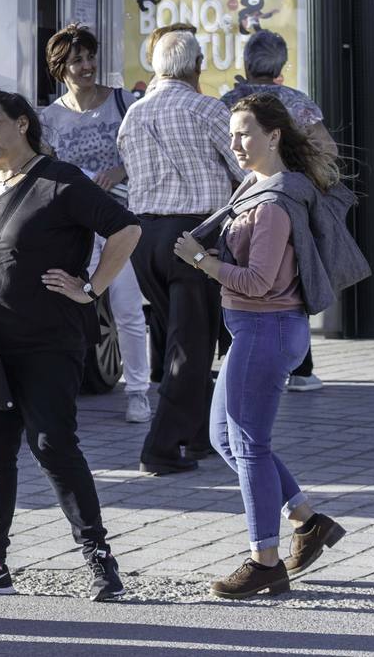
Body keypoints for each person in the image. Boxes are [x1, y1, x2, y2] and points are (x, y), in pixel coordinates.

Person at [0, 89, 141, 602]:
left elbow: (126, 228)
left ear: (23, 124)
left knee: (52, 445)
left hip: (48, 340)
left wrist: (90, 287)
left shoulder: (61, 181)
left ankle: (100, 562)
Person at [174, 94, 349, 598]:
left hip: (265, 329)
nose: (234, 143)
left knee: (249, 446)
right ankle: (307, 520)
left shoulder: (272, 205)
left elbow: (257, 280)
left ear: (273, 136)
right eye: (231, 133)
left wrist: (201, 260)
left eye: (244, 133)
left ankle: (264, 560)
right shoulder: (255, 185)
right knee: (225, 438)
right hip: (256, 331)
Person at [118, 30, 245, 476]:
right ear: (197, 65)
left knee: (179, 338)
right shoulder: (207, 108)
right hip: (195, 235)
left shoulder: (133, 114)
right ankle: (161, 447)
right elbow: (244, 169)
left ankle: (199, 433)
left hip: (145, 236)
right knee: (191, 346)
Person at [39, 23, 151, 423]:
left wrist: (120, 170)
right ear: (60, 68)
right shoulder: (48, 118)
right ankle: (58, 390)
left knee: (127, 308)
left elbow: (149, 150)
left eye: (89, 56)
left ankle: (138, 392)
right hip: (78, 227)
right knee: (68, 307)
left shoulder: (124, 102)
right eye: (76, 60)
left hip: (121, 221)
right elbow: (45, 169)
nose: (87, 66)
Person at [221, 30, 337, 393]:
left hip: (237, 204)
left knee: (236, 275)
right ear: (282, 65)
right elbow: (328, 149)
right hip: (283, 200)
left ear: (245, 63)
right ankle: (300, 370)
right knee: (290, 277)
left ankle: (234, 357)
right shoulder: (296, 101)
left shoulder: (227, 102)